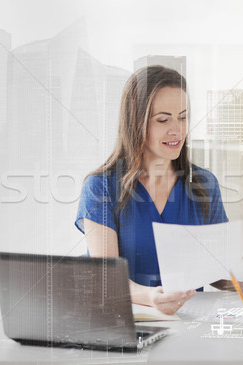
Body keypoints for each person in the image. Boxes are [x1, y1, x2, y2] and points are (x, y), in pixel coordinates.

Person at [75, 65, 229, 315]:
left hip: (189, 328)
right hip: (127, 326)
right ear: (136, 122)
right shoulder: (100, 187)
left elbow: (215, 270)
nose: (176, 130)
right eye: (163, 119)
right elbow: (107, 278)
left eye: (182, 117)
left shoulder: (204, 184)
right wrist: (150, 297)